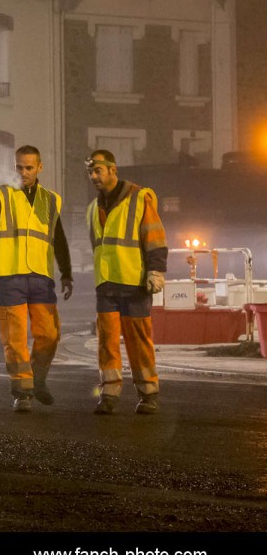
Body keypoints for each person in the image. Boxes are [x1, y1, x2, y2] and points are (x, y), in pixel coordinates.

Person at [0, 145, 73, 413]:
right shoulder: (3, 194)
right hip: (10, 277)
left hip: (41, 278)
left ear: (39, 168)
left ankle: (37, 378)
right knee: (14, 338)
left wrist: (66, 273)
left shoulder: (51, 200)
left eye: (29, 167)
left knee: (50, 335)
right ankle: (22, 391)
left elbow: (60, 238)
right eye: (19, 167)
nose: (23, 172)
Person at [85, 150, 167, 415]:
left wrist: (155, 271)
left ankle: (148, 393)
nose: (94, 176)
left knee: (138, 340)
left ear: (112, 170)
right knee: (106, 341)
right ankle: (109, 393)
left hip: (134, 282)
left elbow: (154, 237)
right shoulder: (92, 208)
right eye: (90, 172)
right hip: (106, 283)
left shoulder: (139, 198)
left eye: (98, 170)